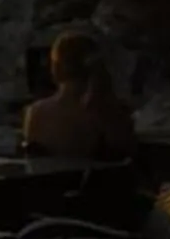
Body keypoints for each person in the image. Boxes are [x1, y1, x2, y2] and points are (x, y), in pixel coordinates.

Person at [23, 30, 137, 160]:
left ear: (56, 67)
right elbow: (129, 153)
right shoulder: (108, 113)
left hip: (49, 174)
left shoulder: (36, 112)